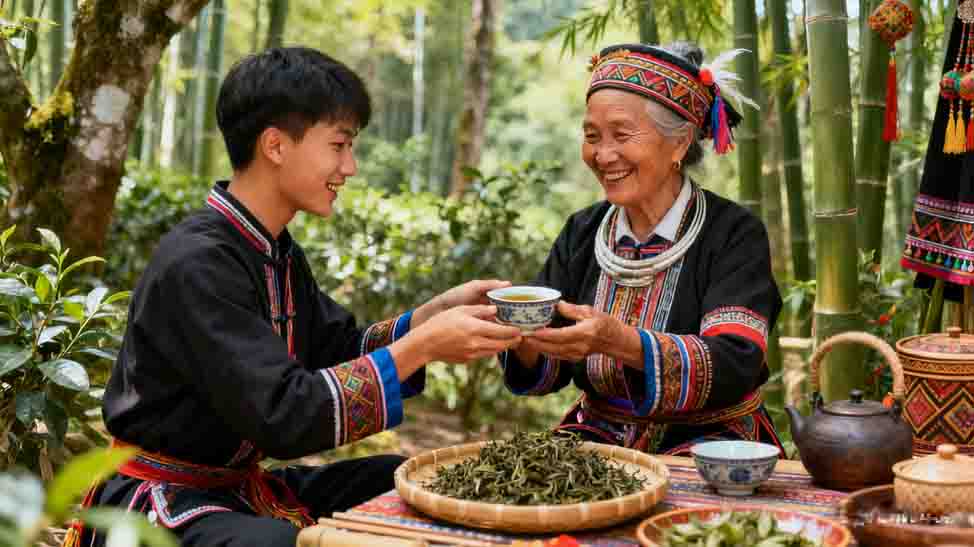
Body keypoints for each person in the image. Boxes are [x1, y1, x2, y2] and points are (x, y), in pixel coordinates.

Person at [65, 47, 523, 547]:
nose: (349, 166)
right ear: (276, 146)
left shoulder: (273, 251)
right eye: (339, 145)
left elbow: (335, 351)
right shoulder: (198, 263)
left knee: (403, 476)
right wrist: (425, 346)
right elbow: (285, 415)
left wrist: (431, 317)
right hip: (162, 500)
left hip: (236, 489)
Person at [500, 42, 783, 456]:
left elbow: (735, 361)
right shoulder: (583, 231)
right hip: (599, 438)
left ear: (680, 142)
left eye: (622, 134)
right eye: (591, 136)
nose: (602, 154)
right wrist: (520, 332)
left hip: (710, 446)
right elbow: (549, 366)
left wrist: (621, 341)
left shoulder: (732, 233)